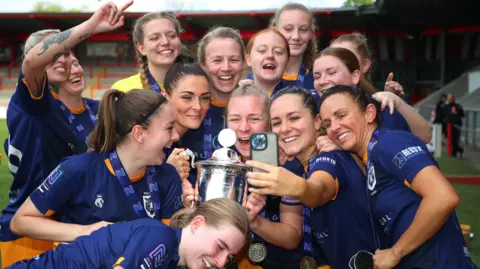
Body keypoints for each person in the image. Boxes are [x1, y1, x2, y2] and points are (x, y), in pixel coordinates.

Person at [0, 1, 133, 266]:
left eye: (69, 54)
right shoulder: (34, 104)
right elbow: (32, 61)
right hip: (28, 233)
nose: (63, 59)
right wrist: (92, 25)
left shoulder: (87, 109)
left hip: (69, 225)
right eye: (55, 53)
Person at [318, 85, 477, 269]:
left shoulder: (389, 142)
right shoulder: (373, 156)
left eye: (342, 115)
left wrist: (395, 252)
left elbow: (443, 197)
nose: (334, 127)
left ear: (369, 113)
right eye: (327, 124)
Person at [10, 89, 182, 246]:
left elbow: (168, 243)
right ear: (139, 133)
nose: (175, 136)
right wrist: (85, 231)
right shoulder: (77, 170)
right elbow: (20, 221)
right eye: (169, 128)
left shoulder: (167, 175)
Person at [246, 87, 377, 269]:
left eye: (294, 118)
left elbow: (318, 190)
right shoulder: (302, 167)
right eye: (276, 123)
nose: (284, 129)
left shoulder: (330, 157)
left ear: (317, 122)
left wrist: (292, 186)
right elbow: (292, 235)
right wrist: (253, 220)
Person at [7, 198, 250, 269]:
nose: (220, 263)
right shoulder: (161, 238)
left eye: (229, 258)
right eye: (220, 246)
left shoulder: (172, 255)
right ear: (197, 224)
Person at [223, 84, 309, 269]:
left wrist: (254, 222)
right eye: (235, 119)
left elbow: (292, 237)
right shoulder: (221, 163)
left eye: (254, 118)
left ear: (270, 123)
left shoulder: (288, 165)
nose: (244, 128)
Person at [312, 47, 432, 143]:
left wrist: (397, 102)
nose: (322, 81)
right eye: (316, 76)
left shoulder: (382, 107)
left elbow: (424, 136)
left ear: (355, 76)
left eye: (331, 72)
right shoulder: (313, 113)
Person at [177, 27, 247, 184]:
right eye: (217, 60)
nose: (226, 67)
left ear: (244, 63)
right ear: (203, 65)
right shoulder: (188, 112)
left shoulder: (256, 107)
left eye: (234, 60)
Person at [160, 62, 212, 182]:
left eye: (204, 98)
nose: (198, 107)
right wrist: (168, 174)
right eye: (187, 97)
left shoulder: (196, 140)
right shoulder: (149, 142)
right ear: (165, 96)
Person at [111, 12, 183, 93]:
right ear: (141, 48)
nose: (165, 42)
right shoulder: (123, 89)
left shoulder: (198, 84)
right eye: (154, 38)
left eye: (172, 36)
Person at [329, 32, 405, 97]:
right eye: (333, 59)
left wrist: (392, 101)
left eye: (346, 59)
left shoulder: (377, 102)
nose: (337, 65)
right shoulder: (319, 97)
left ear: (365, 65)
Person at [445, 93, 465, 158]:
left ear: (453, 99)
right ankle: (460, 150)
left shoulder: (458, 106)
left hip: (456, 126)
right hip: (448, 126)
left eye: (451, 98)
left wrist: (457, 112)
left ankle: (454, 155)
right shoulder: (446, 107)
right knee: (450, 141)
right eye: (449, 99)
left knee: (455, 141)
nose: (450, 100)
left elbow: (463, 115)